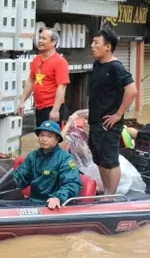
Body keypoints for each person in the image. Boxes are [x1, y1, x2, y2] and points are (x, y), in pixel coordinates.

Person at [88, 29, 138, 195]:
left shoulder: (117, 67)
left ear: (108, 47)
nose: (92, 46)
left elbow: (131, 91)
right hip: (95, 121)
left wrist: (118, 114)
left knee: (110, 160)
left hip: (110, 123)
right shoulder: (97, 64)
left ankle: (111, 195)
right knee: (99, 158)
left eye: (96, 43)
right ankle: (106, 191)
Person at [9, 120, 82, 209]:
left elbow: (72, 183)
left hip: (51, 206)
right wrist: (7, 183)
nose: (44, 139)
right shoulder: (33, 156)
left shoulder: (65, 159)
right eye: (42, 135)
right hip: (32, 202)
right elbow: (20, 177)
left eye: (49, 136)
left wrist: (58, 198)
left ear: (57, 139)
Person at [17, 27, 70, 126]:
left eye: (44, 38)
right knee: (41, 138)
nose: (40, 41)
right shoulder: (37, 59)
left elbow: (62, 87)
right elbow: (31, 80)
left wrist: (55, 110)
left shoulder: (60, 62)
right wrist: (22, 101)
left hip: (51, 107)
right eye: (40, 38)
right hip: (39, 107)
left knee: (50, 139)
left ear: (53, 42)